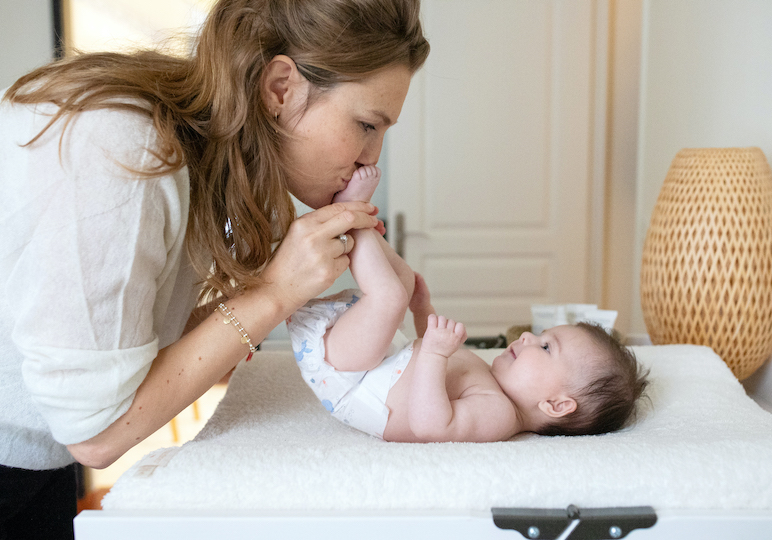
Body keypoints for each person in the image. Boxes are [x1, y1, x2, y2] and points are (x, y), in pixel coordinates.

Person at [0, 0, 429, 537]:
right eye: (367, 123)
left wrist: (284, 293)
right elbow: (98, 434)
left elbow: (132, 350)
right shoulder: (124, 147)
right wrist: (272, 294)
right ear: (280, 88)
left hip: (39, 463)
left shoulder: (204, 157)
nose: (373, 158)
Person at [288, 166, 649, 442]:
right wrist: (422, 312)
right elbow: (423, 359)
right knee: (404, 285)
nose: (526, 338)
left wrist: (434, 354)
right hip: (373, 363)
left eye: (544, 346)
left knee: (389, 296)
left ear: (556, 405)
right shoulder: (491, 379)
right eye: (539, 335)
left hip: (355, 381)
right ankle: (356, 222)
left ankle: (350, 214)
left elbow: (431, 425)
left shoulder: (500, 415)